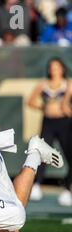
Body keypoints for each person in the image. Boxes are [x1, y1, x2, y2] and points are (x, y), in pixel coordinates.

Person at [27, 57, 72, 205]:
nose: (54, 69)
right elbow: (31, 102)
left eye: (57, 67)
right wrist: (43, 107)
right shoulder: (43, 85)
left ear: (62, 69)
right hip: (48, 123)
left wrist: (66, 106)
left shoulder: (68, 84)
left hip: (64, 123)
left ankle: (67, 188)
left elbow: (66, 106)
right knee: (41, 153)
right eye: (52, 67)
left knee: (70, 155)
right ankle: (36, 185)